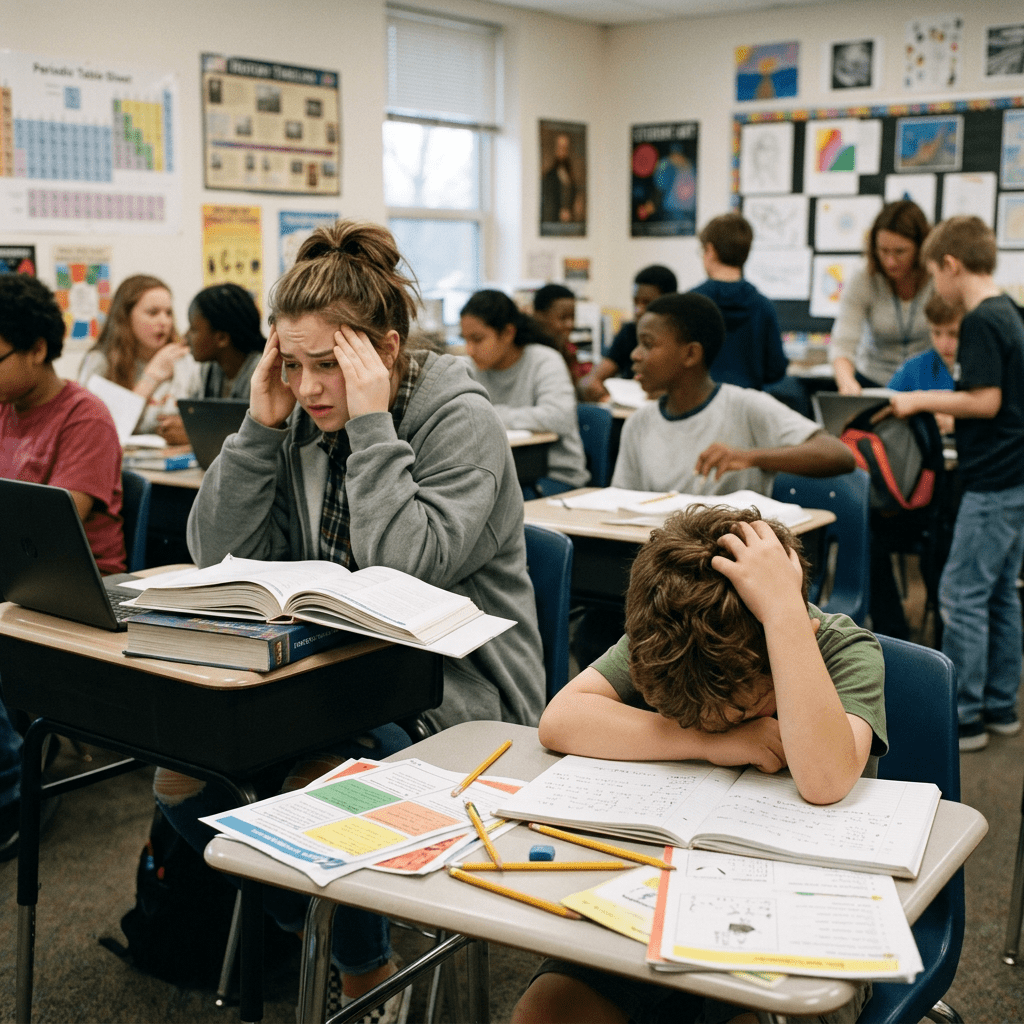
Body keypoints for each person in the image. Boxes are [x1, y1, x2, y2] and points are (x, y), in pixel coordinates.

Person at [154, 220, 545, 1019]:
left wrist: (371, 426)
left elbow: (409, 570)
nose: (309, 387)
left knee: (320, 780)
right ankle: (323, 930)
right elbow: (215, 554)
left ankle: (363, 975)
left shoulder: (456, 419)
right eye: (291, 365)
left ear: (386, 352)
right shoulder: (294, 408)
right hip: (329, 668)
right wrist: (257, 428)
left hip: (453, 687)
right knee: (180, 772)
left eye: (328, 365)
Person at [512, 504, 886, 1024]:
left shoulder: (841, 649)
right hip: (665, 890)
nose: (712, 724)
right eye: (693, 716)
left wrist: (781, 611)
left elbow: (825, 780)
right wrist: (710, 741)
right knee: (547, 1012)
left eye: (736, 710)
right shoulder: (676, 638)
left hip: (801, 915)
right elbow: (560, 720)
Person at [0, 273, 125, 860]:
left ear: (37, 349)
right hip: (15, 577)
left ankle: (10, 790)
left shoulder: (85, 417)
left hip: (74, 586)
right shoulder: (6, 408)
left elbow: (52, 529)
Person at [887, 216, 1024, 752]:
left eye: (933, 275)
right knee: (999, 596)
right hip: (1013, 477)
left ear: (950, 265)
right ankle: (999, 705)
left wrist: (918, 400)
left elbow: (985, 400)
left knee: (960, 594)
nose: (935, 288)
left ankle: (965, 716)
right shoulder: (1011, 310)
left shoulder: (982, 319)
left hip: (991, 480)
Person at [611, 292, 855, 496]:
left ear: (690, 355)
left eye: (648, 344)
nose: (635, 354)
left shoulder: (745, 406)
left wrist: (750, 458)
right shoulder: (638, 424)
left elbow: (839, 455)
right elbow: (620, 505)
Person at [461, 289, 589, 494]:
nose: (470, 350)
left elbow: (560, 416)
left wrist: (491, 415)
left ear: (508, 334)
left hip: (553, 477)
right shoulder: (468, 368)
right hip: (495, 475)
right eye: (465, 340)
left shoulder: (545, 361)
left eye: (477, 339)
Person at [830, 200, 934, 394]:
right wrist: (847, 384)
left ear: (921, 248)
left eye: (900, 252)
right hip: (874, 381)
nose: (890, 262)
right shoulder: (864, 277)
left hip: (928, 384)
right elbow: (843, 343)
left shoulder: (937, 277)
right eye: (883, 251)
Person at [77, 274, 192, 441]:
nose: (164, 321)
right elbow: (92, 433)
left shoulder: (182, 358)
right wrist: (150, 377)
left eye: (168, 313)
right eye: (153, 313)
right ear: (126, 316)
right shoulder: (99, 361)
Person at [151, 282, 266, 443]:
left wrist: (197, 435)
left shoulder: (265, 374)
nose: (185, 337)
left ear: (222, 338)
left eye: (194, 329)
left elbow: (258, 439)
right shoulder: (210, 370)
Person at [691, 211, 788, 390]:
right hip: (748, 409)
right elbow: (776, 370)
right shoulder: (763, 307)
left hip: (698, 406)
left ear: (710, 251)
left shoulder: (689, 304)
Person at [578, 265, 676, 402]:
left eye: (647, 303)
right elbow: (592, 378)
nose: (638, 310)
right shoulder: (629, 331)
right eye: (635, 302)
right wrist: (592, 384)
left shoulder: (680, 337)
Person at [531, 283, 581, 380]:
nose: (570, 324)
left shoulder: (568, 350)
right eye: (563, 318)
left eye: (573, 317)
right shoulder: (528, 354)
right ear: (539, 317)